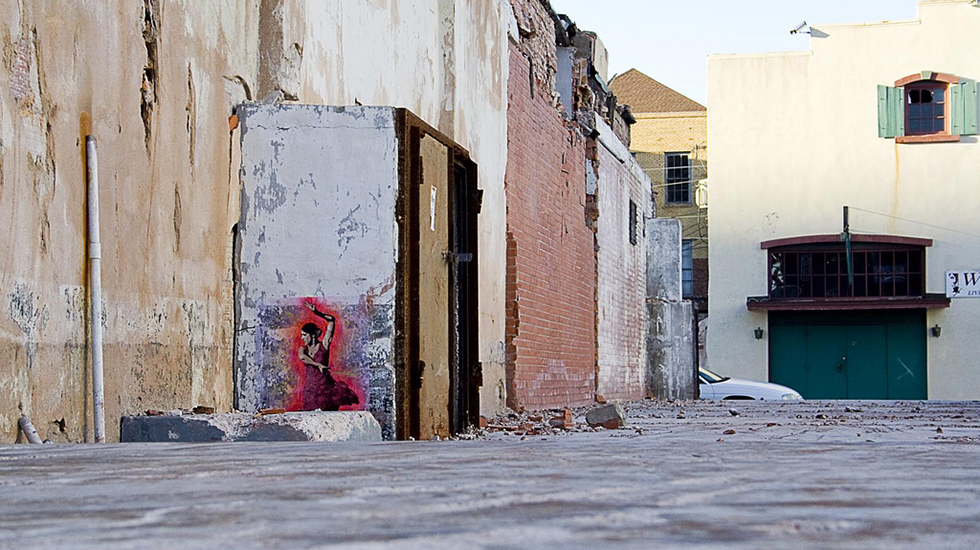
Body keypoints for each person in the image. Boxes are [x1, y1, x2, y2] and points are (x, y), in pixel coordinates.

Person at [298, 300, 359, 411]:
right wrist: (318, 364)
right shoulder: (303, 349)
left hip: (325, 390)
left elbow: (331, 321)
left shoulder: (324, 345)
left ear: (312, 335)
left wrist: (317, 313)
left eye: (304, 335)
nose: (302, 338)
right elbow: (302, 357)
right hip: (310, 389)